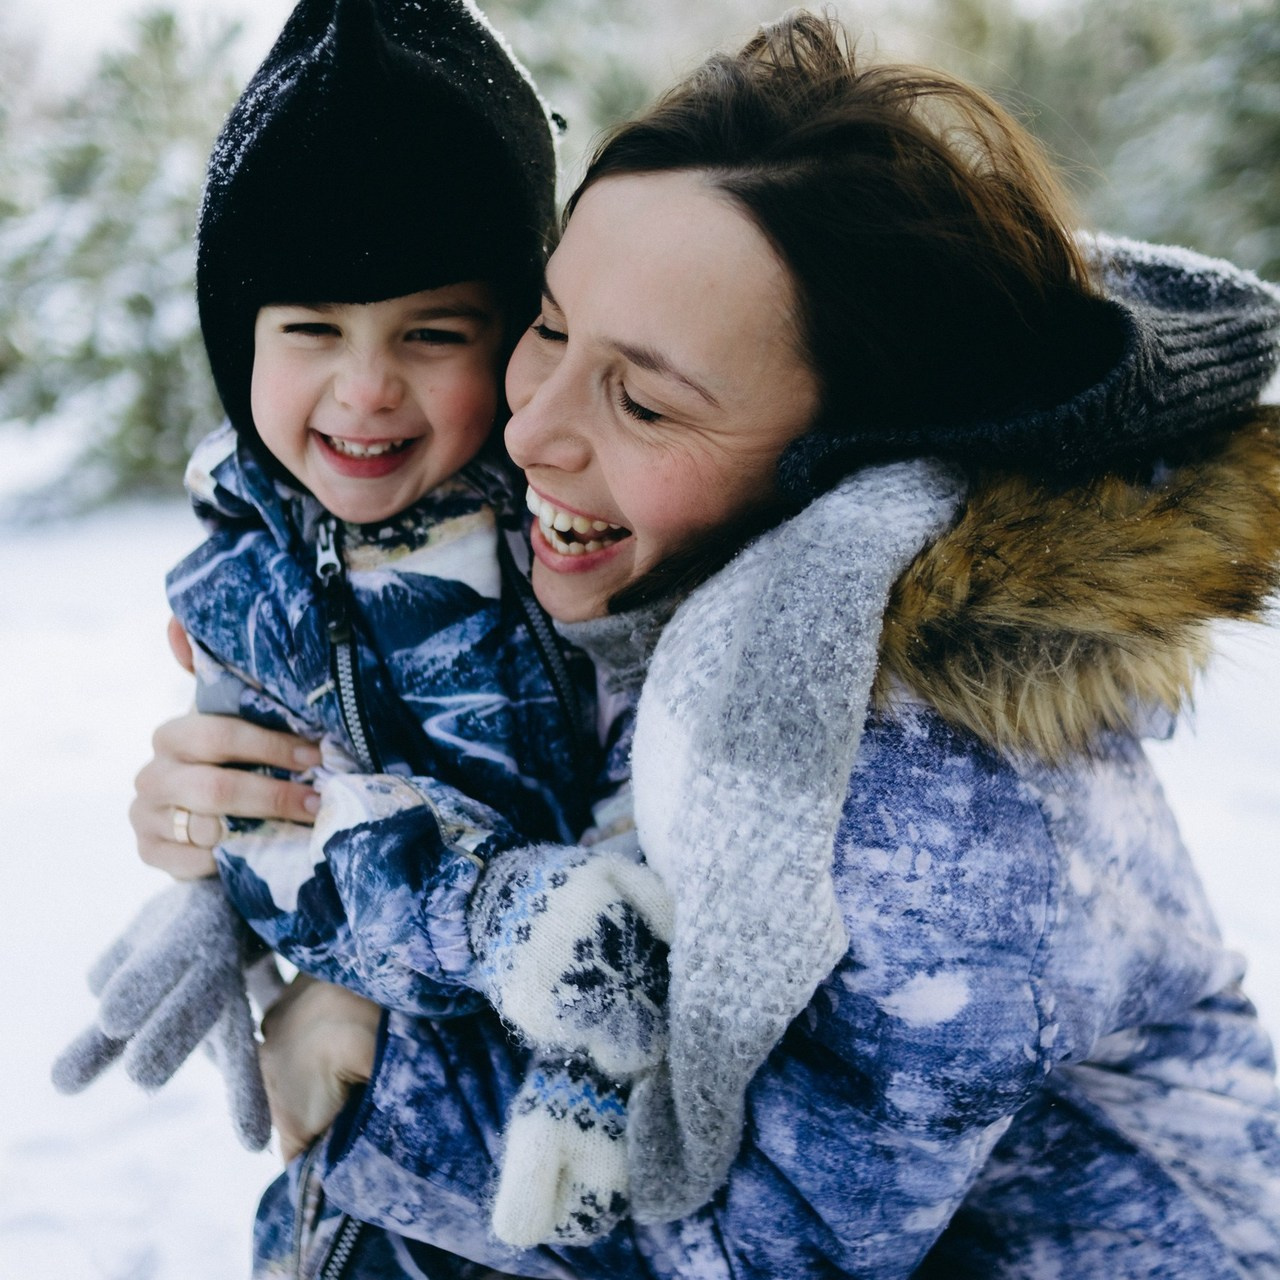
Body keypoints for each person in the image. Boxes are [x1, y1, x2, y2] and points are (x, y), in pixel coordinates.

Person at [131, 10, 1280, 1279]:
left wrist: (373, 1043)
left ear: (846, 451)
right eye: (550, 329)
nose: (528, 440)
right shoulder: (694, 598)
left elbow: (738, 1256)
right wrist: (250, 836)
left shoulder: (929, 795)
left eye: (643, 396)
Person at [55, 0, 677, 1248]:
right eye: (310, 331)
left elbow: (651, 796)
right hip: (356, 1185)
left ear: (511, 337)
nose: (366, 387)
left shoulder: (567, 534)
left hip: (581, 1167)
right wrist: (235, 892)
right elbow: (258, 811)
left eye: (430, 333)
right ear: (242, 349)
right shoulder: (243, 579)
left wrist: (355, 965)